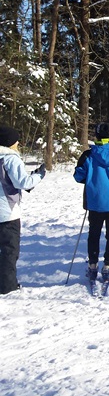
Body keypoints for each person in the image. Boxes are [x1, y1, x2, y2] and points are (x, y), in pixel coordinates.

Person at [73, 122, 109, 283]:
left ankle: (92, 265)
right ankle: (108, 265)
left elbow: (78, 176)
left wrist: (92, 178)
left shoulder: (89, 155)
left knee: (94, 233)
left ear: (97, 137)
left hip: (96, 201)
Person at [0, 126, 45, 294]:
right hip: (8, 212)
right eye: (16, 140)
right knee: (9, 251)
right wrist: (38, 176)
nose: (18, 143)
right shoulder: (11, 159)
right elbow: (22, 182)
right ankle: (7, 287)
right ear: (9, 142)